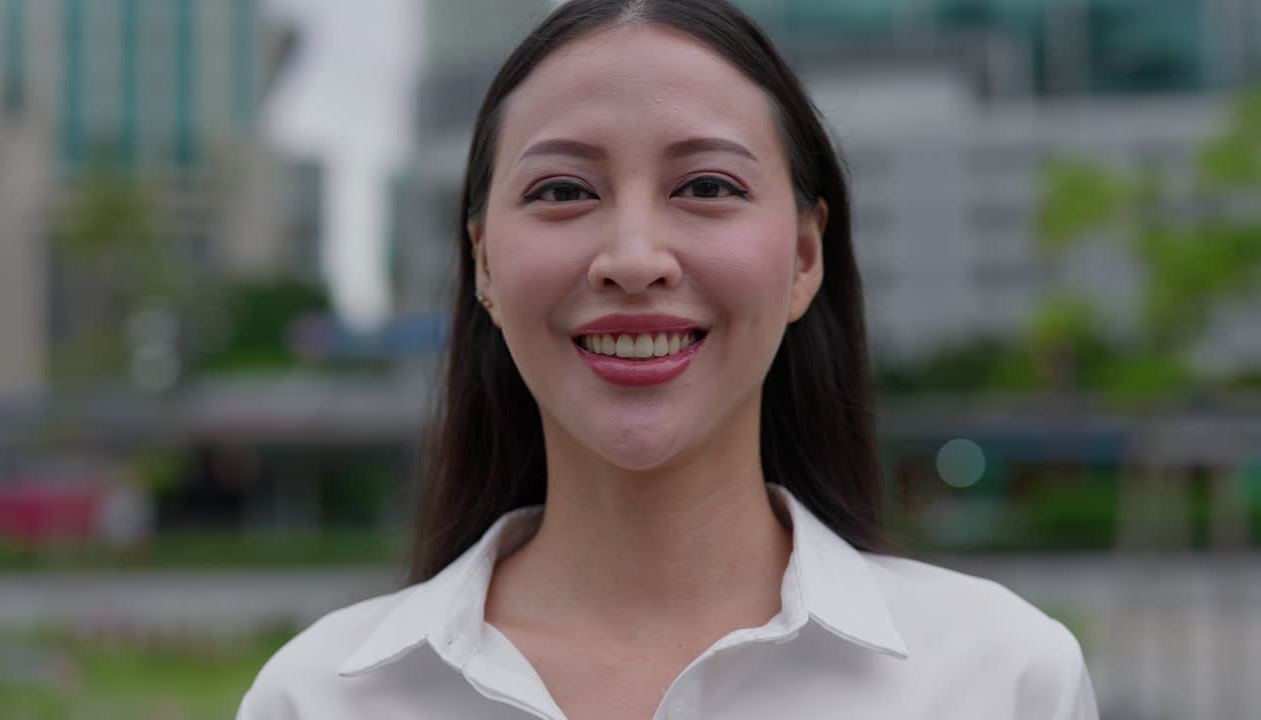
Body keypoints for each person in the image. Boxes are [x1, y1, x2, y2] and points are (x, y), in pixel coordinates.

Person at [238, 1, 1100, 718]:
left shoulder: (998, 679)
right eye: (563, 191)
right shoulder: (321, 699)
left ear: (805, 258)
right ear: (484, 268)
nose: (635, 256)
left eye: (707, 187)